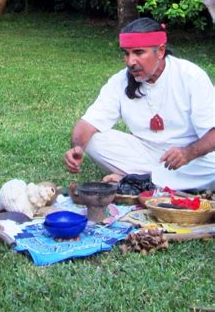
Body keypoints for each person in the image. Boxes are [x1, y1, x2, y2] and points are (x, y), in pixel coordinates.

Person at [64, 18, 215, 191]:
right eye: (126, 54)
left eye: (138, 52)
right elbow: (87, 124)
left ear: (160, 51)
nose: (130, 62)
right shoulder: (120, 81)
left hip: (192, 159)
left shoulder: (191, 76)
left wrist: (187, 153)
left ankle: (138, 181)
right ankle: (148, 181)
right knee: (93, 141)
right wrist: (77, 148)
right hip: (145, 153)